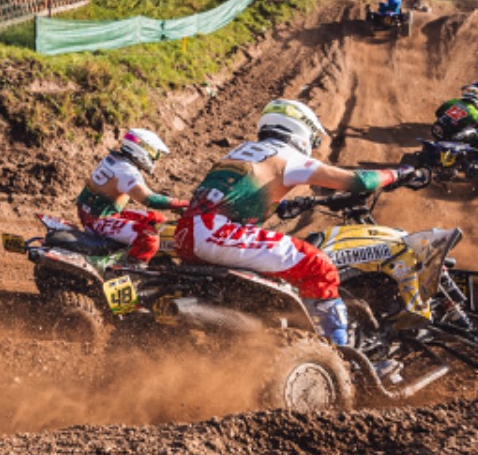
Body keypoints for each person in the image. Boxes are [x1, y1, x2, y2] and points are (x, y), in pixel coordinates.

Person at [176, 99, 420, 347]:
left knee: (276, 281)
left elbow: (235, 194)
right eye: (314, 139)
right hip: (215, 233)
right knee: (319, 266)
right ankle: (337, 354)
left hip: (188, 233)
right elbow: (359, 182)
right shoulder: (287, 154)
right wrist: (399, 173)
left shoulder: (242, 151)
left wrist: (283, 205)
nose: (312, 145)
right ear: (303, 131)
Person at [75, 129, 183, 261]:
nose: (154, 160)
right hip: (99, 221)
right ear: (143, 149)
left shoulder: (115, 159)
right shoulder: (126, 171)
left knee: (158, 220)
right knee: (149, 237)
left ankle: (154, 258)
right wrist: (184, 203)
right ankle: (130, 267)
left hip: (101, 214)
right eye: (155, 155)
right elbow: (149, 199)